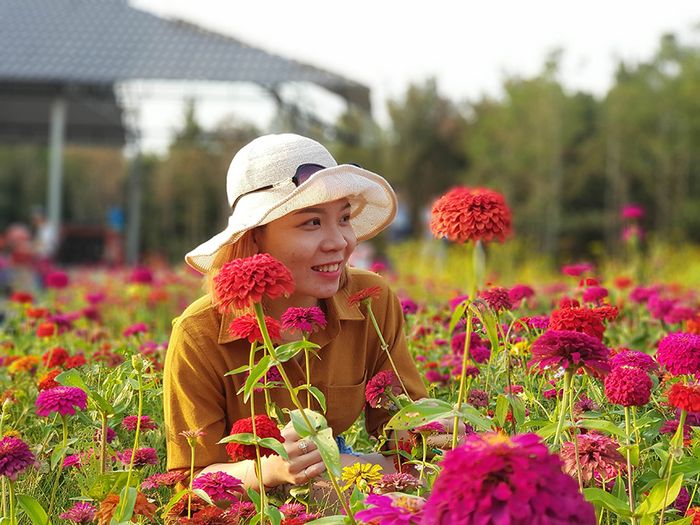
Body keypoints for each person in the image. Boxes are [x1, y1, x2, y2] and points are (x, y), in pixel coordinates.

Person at [164, 134, 451, 495]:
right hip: (247, 502)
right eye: (312, 223)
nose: (340, 242)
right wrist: (271, 468)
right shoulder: (199, 332)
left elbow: (406, 437)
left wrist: (436, 430)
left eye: (344, 218)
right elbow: (191, 481)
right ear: (255, 238)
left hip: (343, 483)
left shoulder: (370, 299)